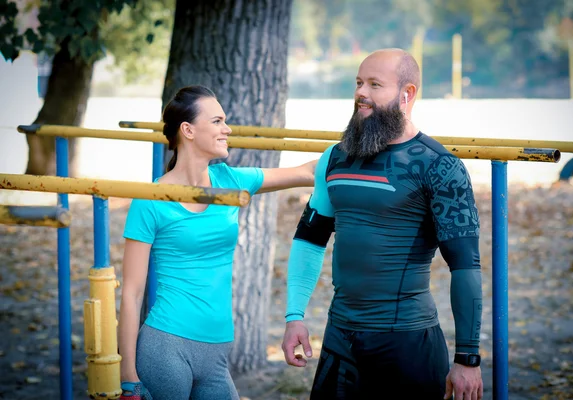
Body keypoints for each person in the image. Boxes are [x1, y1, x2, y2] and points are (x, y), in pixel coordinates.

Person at [281, 48, 484, 400]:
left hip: (406, 342)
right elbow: (309, 239)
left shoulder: (439, 166)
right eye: (359, 82)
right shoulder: (336, 157)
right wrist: (294, 315)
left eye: (375, 84)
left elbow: (466, 266)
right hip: (340, 337)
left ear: (407, 95)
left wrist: (467, 357)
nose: (362, 93)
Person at [118, 85, 317, 400]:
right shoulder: (151, 199)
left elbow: (307, 172)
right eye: (217, 121)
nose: (228, 129)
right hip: (166, 345)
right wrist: (128, 377)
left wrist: (361, 147)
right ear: (188, 130)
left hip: (217, 352)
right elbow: (130, 294)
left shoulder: (230, 181)